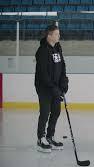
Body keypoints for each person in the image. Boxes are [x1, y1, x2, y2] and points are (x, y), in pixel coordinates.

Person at [35, 25, 69, 153]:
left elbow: (62, 66)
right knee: (45, 112)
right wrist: (53, 88)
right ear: (49, 36)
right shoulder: (42, 51)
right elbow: (43, 74)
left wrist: (64, 82)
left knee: (56, 112)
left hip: (56, 88)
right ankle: (41, 139)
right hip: (45, 88)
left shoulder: (58, 48)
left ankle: (50, 137)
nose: (59, 36)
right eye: (56, 34)